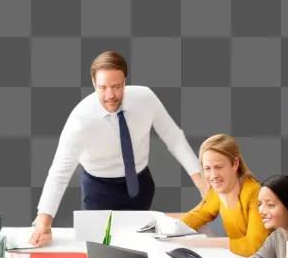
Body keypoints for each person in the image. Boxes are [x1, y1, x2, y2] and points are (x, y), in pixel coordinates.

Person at [28, 50, 204, 246]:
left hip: (140, 185)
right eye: (102, 87)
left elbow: (174, 137)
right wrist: (44, 222)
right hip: (99, 192)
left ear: (125, 81)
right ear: (93, 83)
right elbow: (60, 171)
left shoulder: (145, 98)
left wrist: (201, 181)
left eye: (116, 86)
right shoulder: (80, 119)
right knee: (102, 250)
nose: (110, 95)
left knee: (141, 245)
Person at [173, 134, 268, 256]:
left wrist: (206, 243)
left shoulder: (255, 194)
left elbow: (253, 247)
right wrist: (171, 233)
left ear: (235, 164)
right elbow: (199, 214)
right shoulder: (217, 191)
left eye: (218, 167)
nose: (213, 176)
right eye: (207, 168)